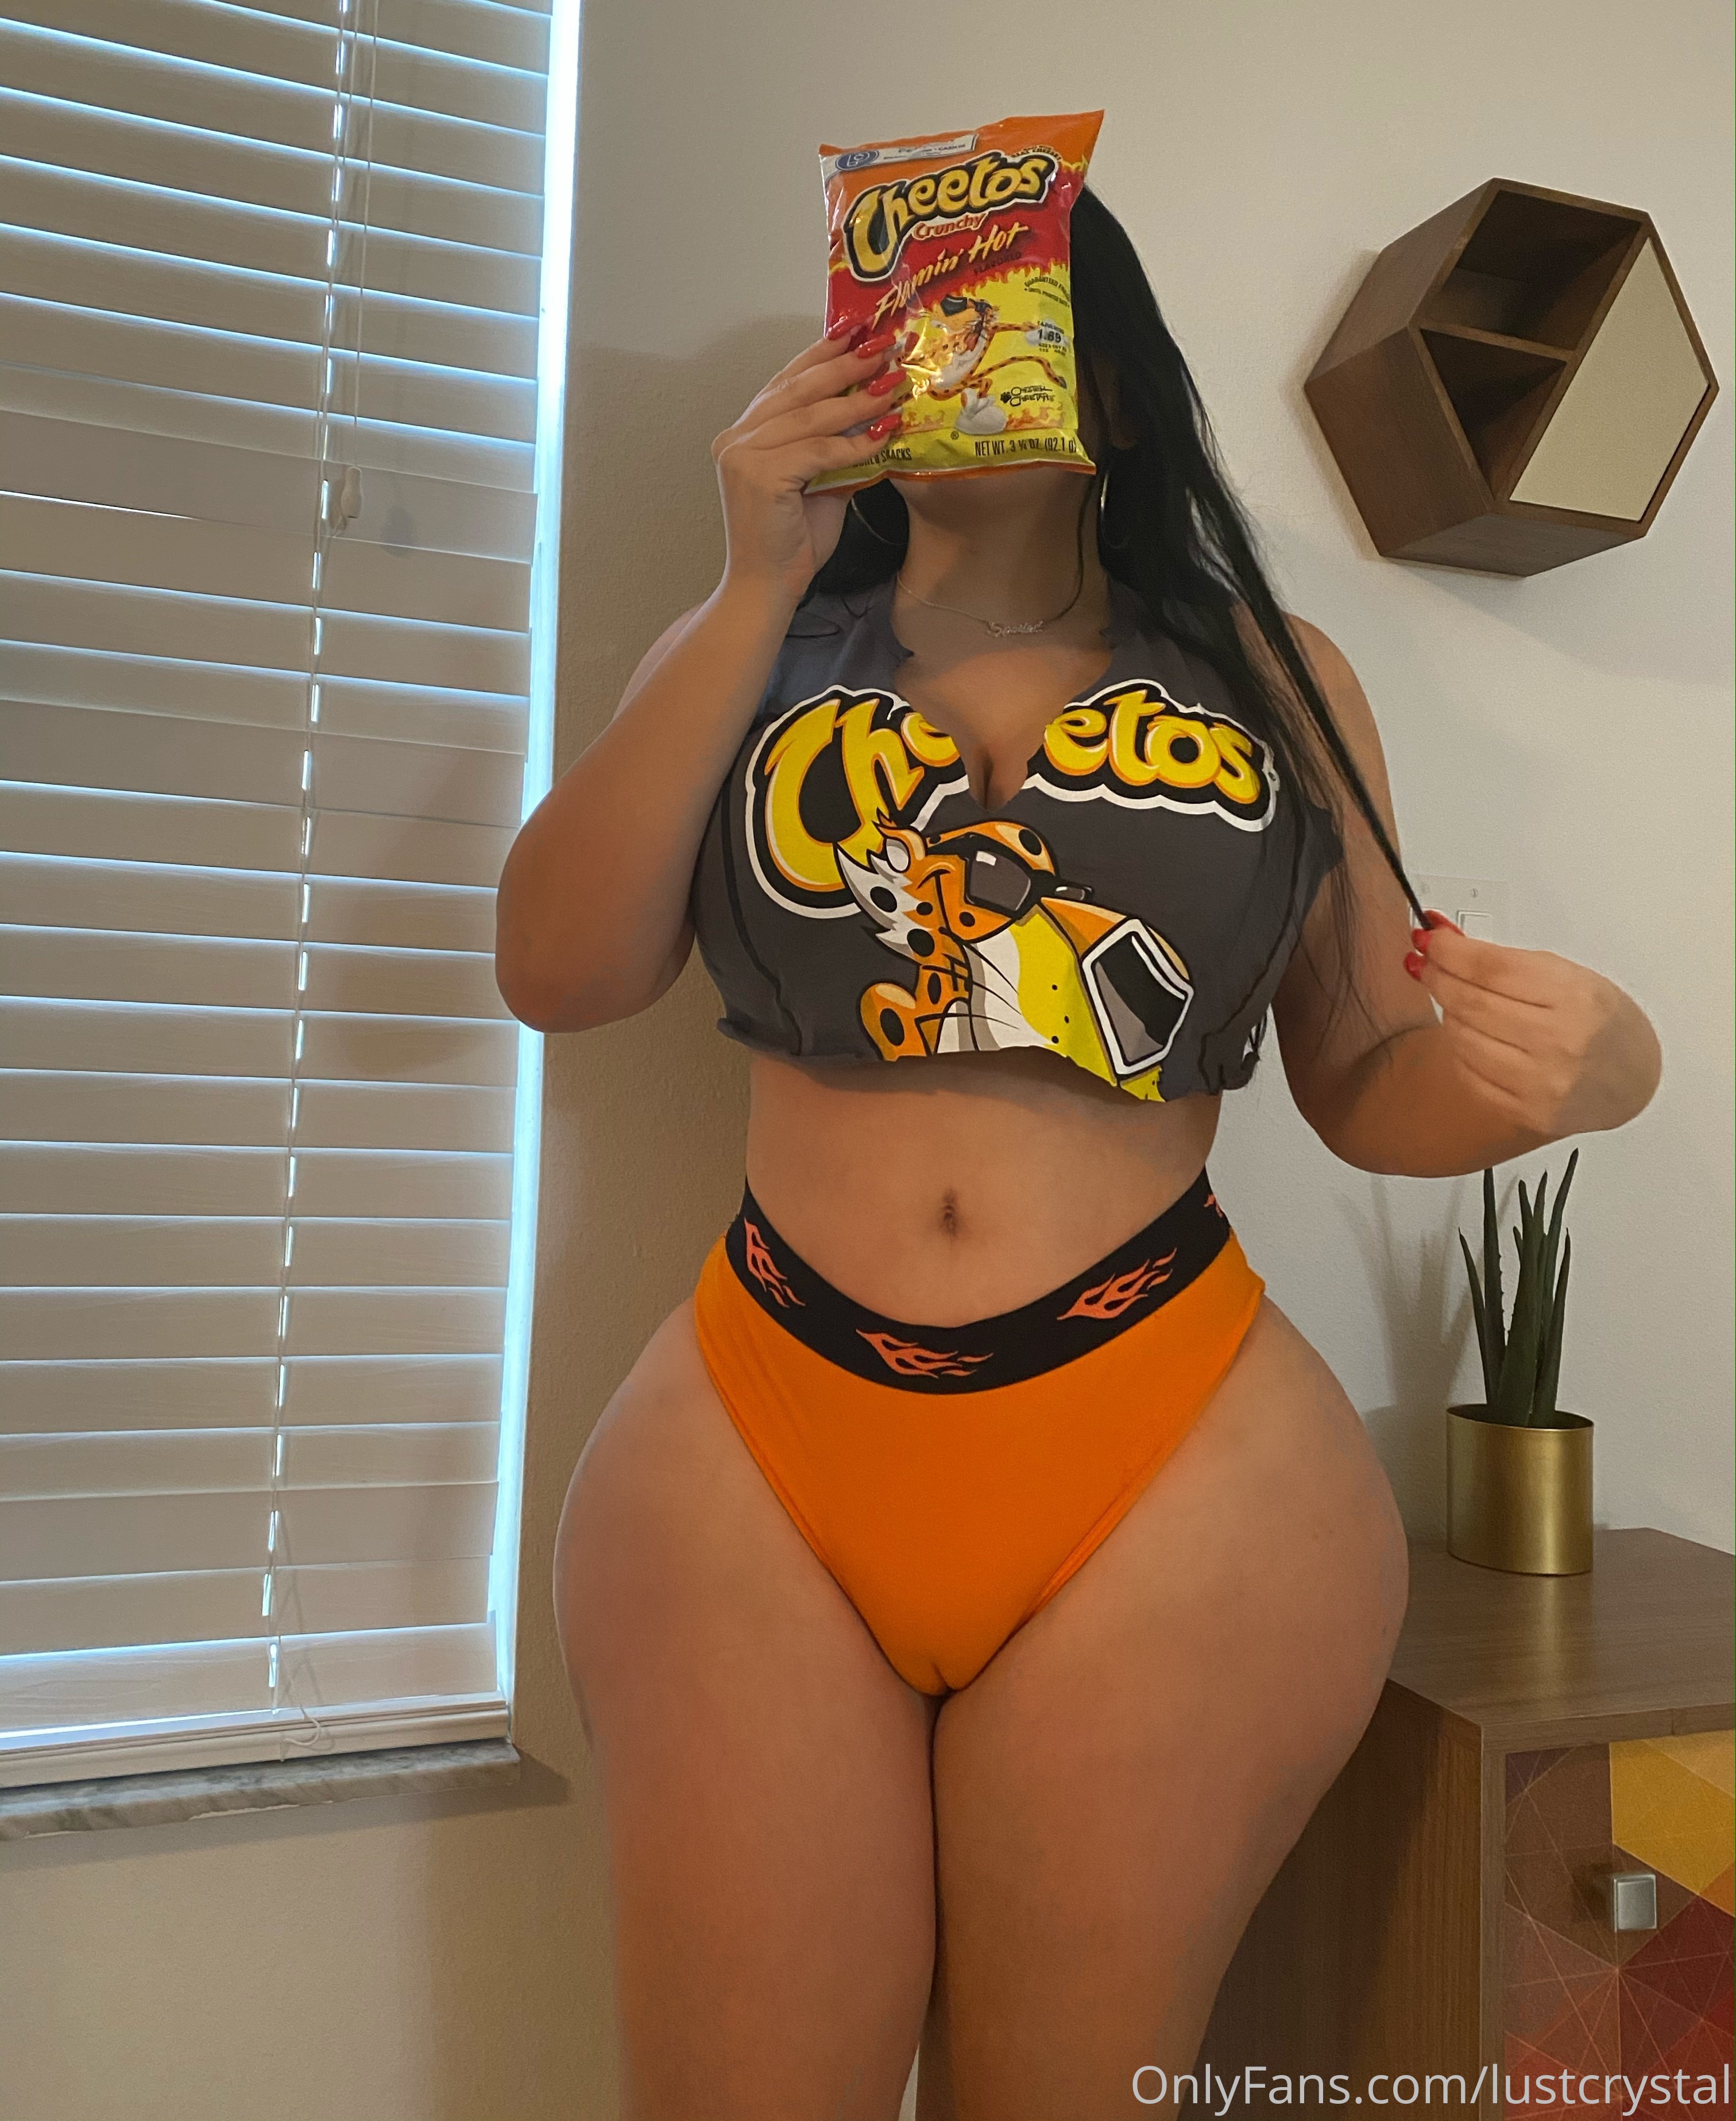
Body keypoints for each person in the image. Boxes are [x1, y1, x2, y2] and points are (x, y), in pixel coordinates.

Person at [495, 189, 1661, 2121]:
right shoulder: (747, 648)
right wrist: (752, 583)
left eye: (994, 325)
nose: (937, 364)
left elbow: (1369, 1073)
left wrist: (1589, 1080)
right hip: (760, 1439)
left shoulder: (1275, 674)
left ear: (1108, 387)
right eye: (895, 326)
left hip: (1173, 1451)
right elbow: (557, 968)